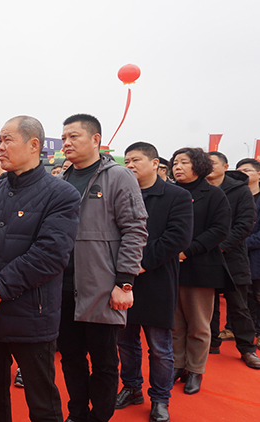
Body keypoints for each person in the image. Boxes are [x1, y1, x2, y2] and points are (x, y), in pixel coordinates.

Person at [0, 115, 81, 422]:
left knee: (41, 401)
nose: (0, 147)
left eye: (7, 140)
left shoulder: (61, 194)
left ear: (34, 145)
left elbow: (50, 255)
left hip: (32, 314)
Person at [58, 114, 148, 422]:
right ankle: (78, 412)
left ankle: (100, 416)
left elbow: (135, 229)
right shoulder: (62, 179)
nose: (66, 143)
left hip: (102, 287)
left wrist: (125, 282)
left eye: (74, 137)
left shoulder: (118, 176)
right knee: (70, 357)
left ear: (96, 139)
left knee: (104, 361)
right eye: (64, 138)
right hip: (63, 287)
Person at [116, 142, 193, 422]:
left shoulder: (176, 196)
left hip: (158, 279)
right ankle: (131, 387)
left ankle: (160, 399)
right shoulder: (121, 193)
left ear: (155, 163)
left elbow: (178, 238)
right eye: (126, 161)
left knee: (160, 348)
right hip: (123, 281)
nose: (130, 165)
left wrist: (141, 263)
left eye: (136, 159)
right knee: (125, 341)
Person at [170, 147, 232, 395]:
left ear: (198, 165)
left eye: (184, 162)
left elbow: (219, 230)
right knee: (174, 324)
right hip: (171, 267)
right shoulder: (170, 192)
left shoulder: (214, 195)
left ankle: (195, 370)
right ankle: (177, 365)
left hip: (201, 267)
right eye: (175, 163)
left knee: (198, 324)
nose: (177, 167)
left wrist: (187, 251)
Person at [205, 152, 260, 369]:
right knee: (208, 305)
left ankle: (247, 348)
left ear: (225, 166)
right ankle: (211, 343)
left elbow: (245, 224)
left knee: (239, 305)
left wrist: (220, 245)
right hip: (205, 256)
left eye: (213, 163)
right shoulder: (201, 190)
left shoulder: (240, 191)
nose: (208, 167)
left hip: (233, 256)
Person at [237, 158, 260, 345]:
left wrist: (241, 242)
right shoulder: (236, 195)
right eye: (239, 170)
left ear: (259, 174)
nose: (242, 173)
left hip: (255, 254)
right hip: (238, 254)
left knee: (257, 294)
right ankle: (232, 328)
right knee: (241, 295)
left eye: (247, 170)